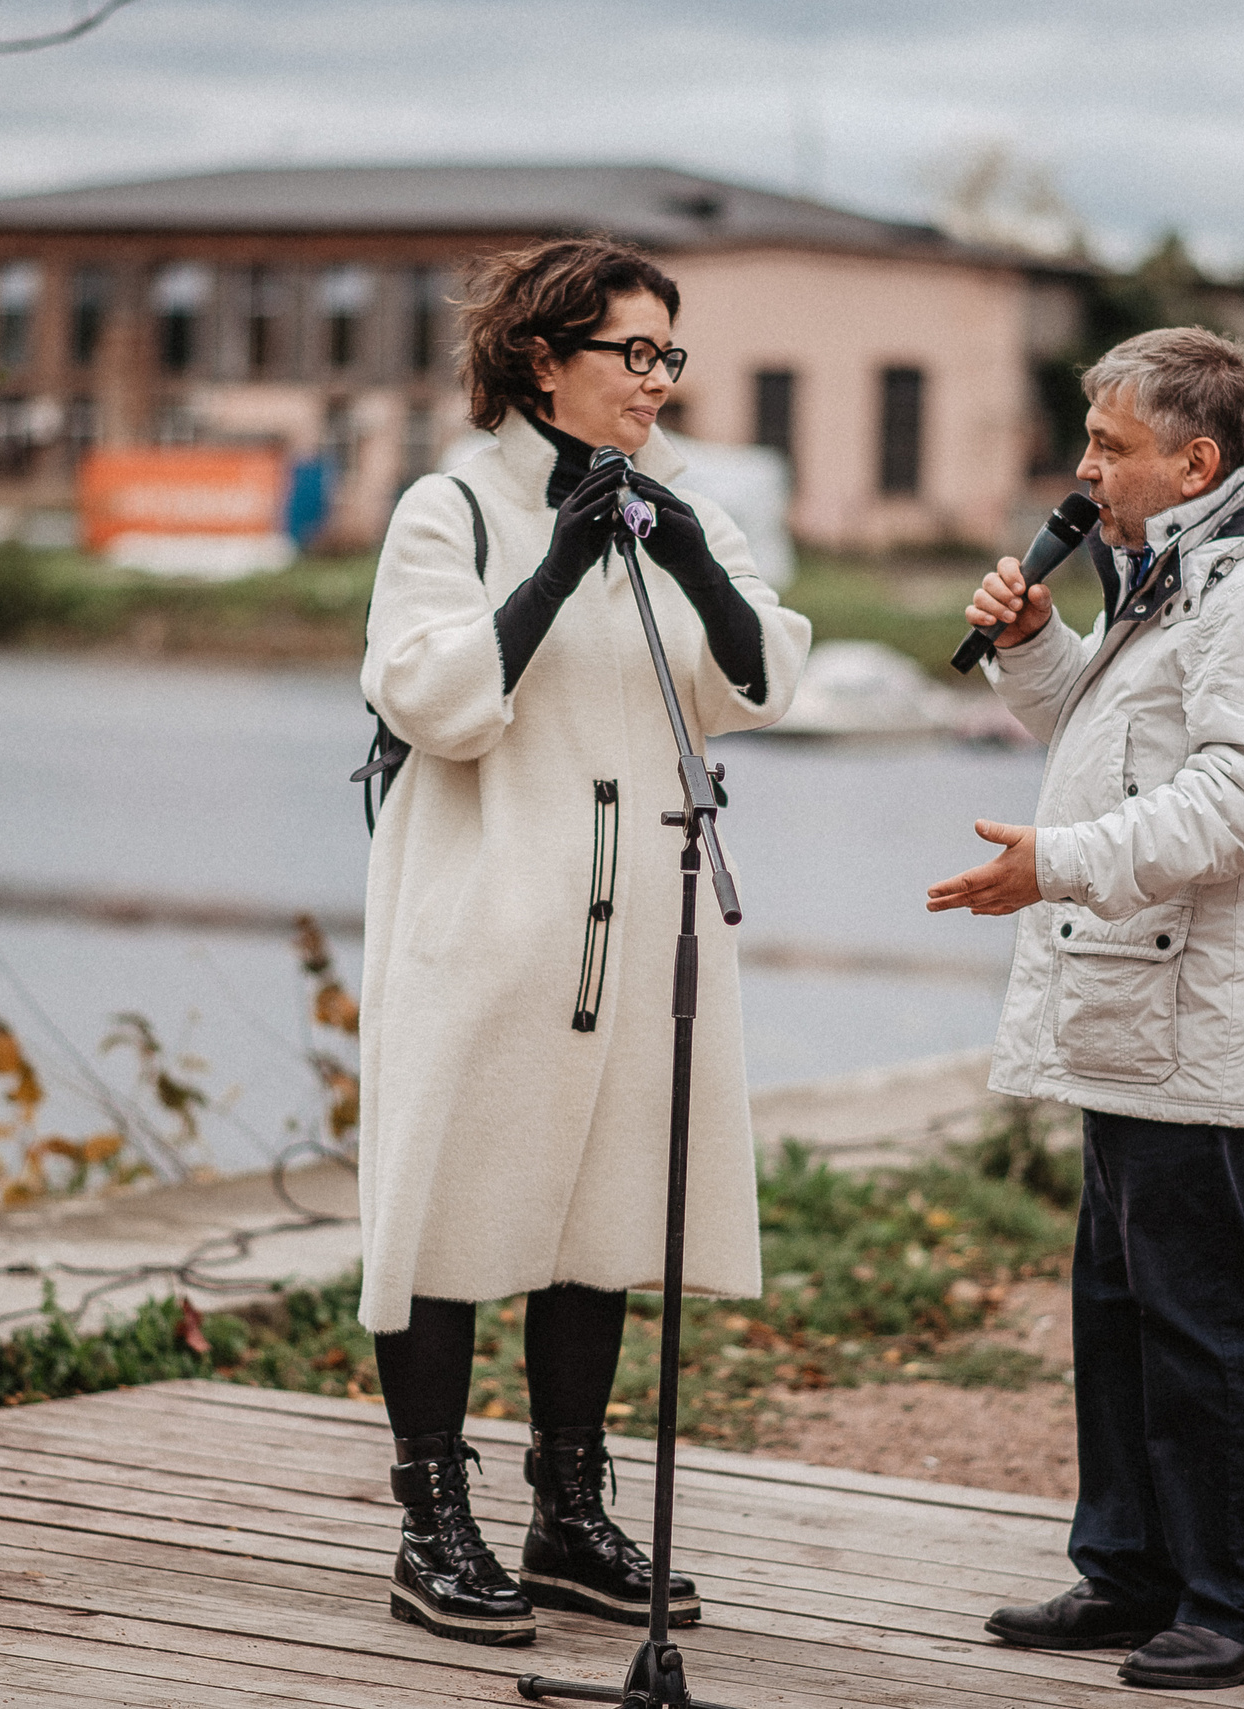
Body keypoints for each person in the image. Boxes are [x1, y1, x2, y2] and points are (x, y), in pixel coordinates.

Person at [355, 237, 810, 1647]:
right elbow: (434, 696)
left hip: (644, 912)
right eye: (636, 352)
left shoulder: (684, 507)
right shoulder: (452, 509)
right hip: (489, 915)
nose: (659, 380)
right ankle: (432, 1514)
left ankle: (567, 1502)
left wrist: (682, 551)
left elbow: (764, 674)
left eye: (673, 355)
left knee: (604, 1202)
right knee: (440, 1199)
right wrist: (557, 564)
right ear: (544, 358)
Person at [926, 327, 1244, 1690]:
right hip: (1148, 1002)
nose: (1085, 468)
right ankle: (1127, 1571)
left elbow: (1242, 804)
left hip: (1210, 1009)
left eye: (1111, 445)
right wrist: (1037, 644)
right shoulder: (1192, 572)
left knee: (1202, 1316)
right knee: (1121, 1300)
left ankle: (1236, 1608)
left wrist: (1053, 865)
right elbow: (1111, 738)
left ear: (1197, 459)